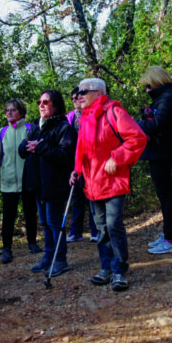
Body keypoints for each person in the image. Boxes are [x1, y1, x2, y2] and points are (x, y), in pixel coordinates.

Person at [70, 78, 146, 292]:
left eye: (84, 91)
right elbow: (82, 151)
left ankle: (120, 270)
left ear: (99, 92)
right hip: (92, 182)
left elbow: (137, 138)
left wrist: (117, 157)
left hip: (112, 180)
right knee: (101, 229)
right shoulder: (85, 118)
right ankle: (106, 268)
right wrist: (76, 171)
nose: (80, 95)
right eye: (78, 91)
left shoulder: (113, 112)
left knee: (113, 225)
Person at [19, 90, 77, 277]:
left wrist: (40, 147)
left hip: (54, 183)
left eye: (46, 102)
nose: (41, 105)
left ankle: (60, 260)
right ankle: (48, 256)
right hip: (38, 184)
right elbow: (24, 147)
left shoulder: (64, 128)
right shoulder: (36, 125)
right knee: (44, 222)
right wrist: (24, 146)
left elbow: (65, 155)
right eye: (39, 102)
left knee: (54, 223)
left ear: (56, 105)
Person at [0, 99, 41, 265]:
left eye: (13, 110)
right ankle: (7, 249)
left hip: (28, 180)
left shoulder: (31, 129)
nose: (9, 113)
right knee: (8, 216)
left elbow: (40, 152)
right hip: (8, 181)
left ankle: (32, 243)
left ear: (21, 112)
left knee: (30, 213)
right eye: (7, 110)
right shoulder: (2, 132)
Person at [136, 66, 172, 254]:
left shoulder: (168, 98)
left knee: (166, 197)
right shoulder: (165, 97)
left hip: (161, 152)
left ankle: (170, 240)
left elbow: (158, 124)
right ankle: (167, 235)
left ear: (157, 81)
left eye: (149, 86)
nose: (147, 90)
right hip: (158, 151)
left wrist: (136, 123)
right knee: (163, 196)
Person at [65, 86, 99, 244]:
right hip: (75, 162)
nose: (75, 101)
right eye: (72, 99)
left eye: (77, 98)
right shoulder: (69, 118)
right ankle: (76, 231)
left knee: (91, 196)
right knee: (76, 197)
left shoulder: (92, 114)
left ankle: (95, 230)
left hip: (91, 162)